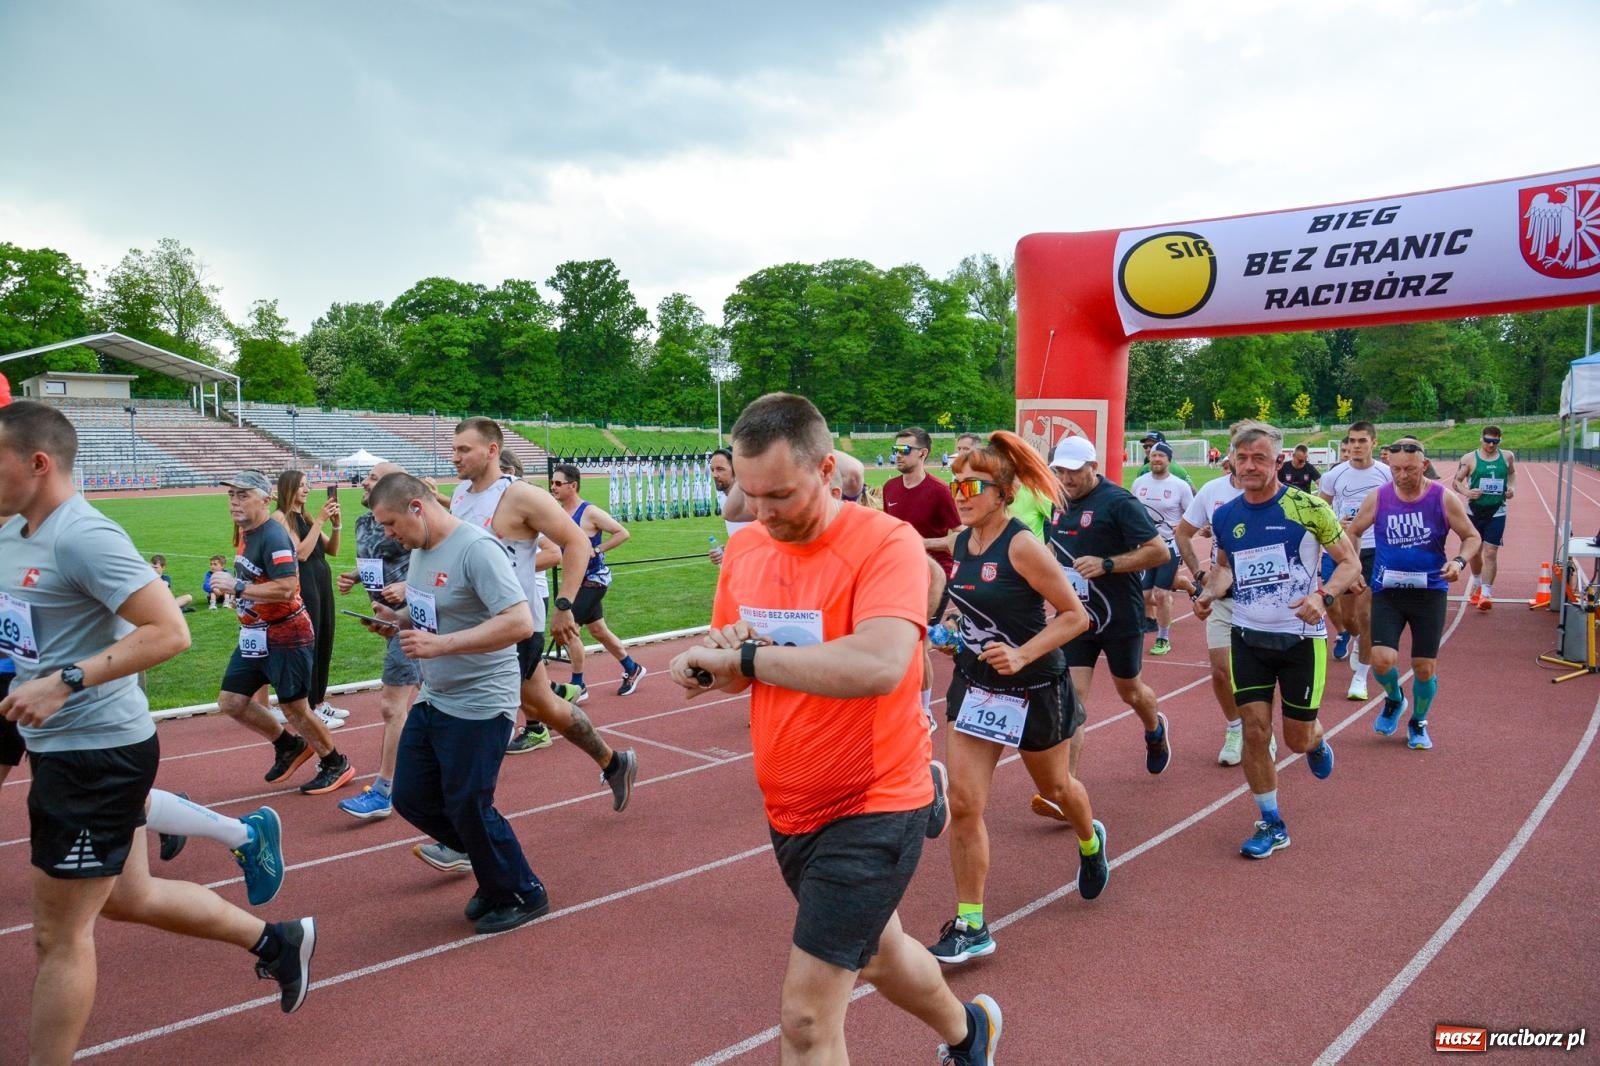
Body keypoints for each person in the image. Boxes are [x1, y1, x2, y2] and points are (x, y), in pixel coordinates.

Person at [668, 393, 1001, 1066]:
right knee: (880, 953)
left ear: (827, 472)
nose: (761, 514)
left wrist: (750, 657)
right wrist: (706, 666)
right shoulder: (749, 551)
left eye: (780, 495)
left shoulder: (887, 544)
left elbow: (880, 663)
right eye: (749, 495)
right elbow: (737, 666)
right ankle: (970, 1033)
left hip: (875, 799)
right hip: (790, 805)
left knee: (807, 1021)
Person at [0, 403, 316, 1063]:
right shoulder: (14, 529)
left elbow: (168, 630)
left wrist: (64, 680)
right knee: (130, 898)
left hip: (95, 753)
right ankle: (275, 941)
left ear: (37, 463)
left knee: (58, 937)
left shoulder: (83, 536)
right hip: (61, 747)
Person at [928, 431, 1106, 970]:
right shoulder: (963, 544)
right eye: (955, 483)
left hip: (1033, 688)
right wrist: (951, 626)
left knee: (1056, 788)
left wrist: (1024, 654)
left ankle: (1090, 840)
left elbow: (1077, 616)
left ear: (1003, 492)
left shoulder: (1023, 544)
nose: (959, 494)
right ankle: (971, 924)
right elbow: (968, 605)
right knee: (964, 804)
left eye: (971, 485)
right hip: (977, 685)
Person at [366, 470, 549, 933]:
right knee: (411, 796)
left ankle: (524, 890)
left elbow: (519, 623)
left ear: (416, 507)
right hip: (438, 694)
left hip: (482, 700)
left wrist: (441, 646)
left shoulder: (476, 549)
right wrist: (397, 618)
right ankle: (491, 872)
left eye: (390, 524)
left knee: (469, 802)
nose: (388, 536)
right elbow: (433, 609)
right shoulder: (421, 550)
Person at [450, 424, 635, 816]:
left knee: (481, 718)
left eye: (464, 449)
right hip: (476, 624)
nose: (455, 457)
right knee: (545, 707)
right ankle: (615, 763)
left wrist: (564, 604)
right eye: (454, 449)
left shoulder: (521, 496)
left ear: (491, 450)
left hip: (513, 627)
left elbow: (576, 542)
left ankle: (466, 827)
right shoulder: (460, 495)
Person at [1195, 422, 1360, 859]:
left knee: (1297, 740)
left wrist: (1323, 597)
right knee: (1254, 729)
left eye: (1260, 458)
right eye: (1242, 458)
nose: (1250, 466)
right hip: (1248, 636)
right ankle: (1271, 822)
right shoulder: (1226, 514)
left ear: (1278, 462)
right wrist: (1209, 592)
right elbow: (1226, 568)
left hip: (1300, 641)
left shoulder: (1308, 509)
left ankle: (1317, 739)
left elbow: (1350, 564)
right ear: (1230, 460)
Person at [211, 470, 355, 795]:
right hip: (255, 635)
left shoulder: (273, 535)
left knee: (295, 707)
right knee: (232, 701)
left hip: (286, 635)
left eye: (243, 495)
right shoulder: (247, 533)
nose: (234, 502)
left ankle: (335, 763)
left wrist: (239, 587)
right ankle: (288, 746)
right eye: (231, 495)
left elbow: (289, 587)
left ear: (264, 499)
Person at [1043, 436, 1173, 781]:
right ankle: (1066, 787)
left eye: (1074, 472)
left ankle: (1154, 727)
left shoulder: (1119, 502)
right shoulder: (1057, 500)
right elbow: (1055, 548)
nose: (1066, 479)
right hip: (1076, 616)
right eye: (1060, 471)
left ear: (1093, 468)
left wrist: (1108, 564)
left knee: (1130, 691)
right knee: (1073, 700)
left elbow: (1159, 552)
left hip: (1120, 614)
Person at [1347, 438, 1480, 750]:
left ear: (1424, 465)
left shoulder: (1443, 499)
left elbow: (1472, 536)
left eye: (1409, 468)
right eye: (1395, 469)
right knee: (1381, 660)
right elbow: (1352, 531)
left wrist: (1458, 562)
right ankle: (1394, 700)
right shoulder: (1378, 497)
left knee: (1423, 667)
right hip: (1387, 592)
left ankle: (1419, 720)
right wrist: (1353, 568)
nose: (1402, 475)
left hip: (1429, 592)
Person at [1174, 445, 1275, 767]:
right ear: (1229, 457)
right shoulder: (1212, 491)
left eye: (1252, 456)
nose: (1244, 463)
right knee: (1220, 671)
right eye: (1237, 455)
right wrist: (1200, 574)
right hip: (1223, 595)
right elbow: (1184, 532)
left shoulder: (1277, 496)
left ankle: (1264, 731)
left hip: (1265, 598)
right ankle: (1236, 729)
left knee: (1264, 673)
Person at [334, 460, 422, 819]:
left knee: (392, 704)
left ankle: (385, 790)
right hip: (385, 617)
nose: (364, 483)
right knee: (435, 698)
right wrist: (356, 576)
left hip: (415, 619)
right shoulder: (365, 521)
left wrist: (408, 586)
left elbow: (430, 553)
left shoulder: (409, 524)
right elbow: (376, 557)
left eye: (373, 478)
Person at [547, 462, 649, 698]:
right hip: (575, 582)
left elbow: (622, 532)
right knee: (598, 630)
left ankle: (578, 685)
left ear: (573, 486)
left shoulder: (589, 512)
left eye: (558, 483)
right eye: (552, 482)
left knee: (570, 627)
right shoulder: (557, 513)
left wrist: (597, 549)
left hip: (594, 579)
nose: (553, 487)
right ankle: (632, 668)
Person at [883, 426, 963, 722]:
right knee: (898, 639)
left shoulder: (939, 491)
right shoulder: (890, 487)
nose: (897, 455)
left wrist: (917, 542)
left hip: (934, 577)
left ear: (923, 453)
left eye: (904, 450)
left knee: (918, 643)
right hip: (897, 575)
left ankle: (925, 710)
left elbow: (958, 537)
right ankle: (953, 637)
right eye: (895, 450)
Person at [1319, 421, 1392, 700]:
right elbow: (1321, 508)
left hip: (1375, 549)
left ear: (1373, 442)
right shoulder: (1335, 475)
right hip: (1344, 550)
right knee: (1348, 618)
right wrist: (1336, 521)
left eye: (1362, 440)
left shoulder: (1386, 474)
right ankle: (1351, 636)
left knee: (1366, 615)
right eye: (1352, 441)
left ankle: (1361, 675)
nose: (1356, 446)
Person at [272, 470, 345, 728]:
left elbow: (332, 549)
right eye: (302, 485)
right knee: (309, 643)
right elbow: (300, 554)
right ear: (288, 488)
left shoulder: (305, 516)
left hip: (321, 582)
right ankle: (310, 705)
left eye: (308, 485)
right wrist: (321, 522)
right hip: (304, 585)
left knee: (325, 637)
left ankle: (320, 699)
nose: (307, 489)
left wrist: (336, 524)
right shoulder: (281, 519)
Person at [1130, 442, 1194, 655]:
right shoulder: (1139, 483)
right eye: (1154, 455)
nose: (1156, 459)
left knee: (1160, 593)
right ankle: (1167, 605)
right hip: (1146, 548)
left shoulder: (1179, 486)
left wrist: (1182, 526)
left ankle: (1163, 638)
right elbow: (1132, 510)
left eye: (1161, 456)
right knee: (1144, 597)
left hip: (1169, 547)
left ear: (1169, 460)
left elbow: (1192, 514)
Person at [1454, 426, 1516, 611]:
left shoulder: (1507, 457)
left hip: (1497, 510)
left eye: (1495, 442)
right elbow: (1456, 481)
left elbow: (1512, 473)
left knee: (1490, 552)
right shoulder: (1469, 458)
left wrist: (1512, 489)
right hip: (1474, 511)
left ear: (1500, 441)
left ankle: (1486, 593)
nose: (1491, 445)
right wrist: (1467, 491)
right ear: (1481, 439)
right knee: (1474, 551)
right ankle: (1478, 581)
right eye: (1488, 440)